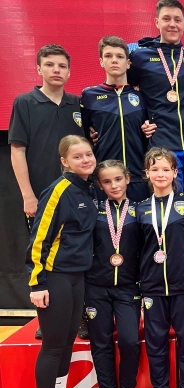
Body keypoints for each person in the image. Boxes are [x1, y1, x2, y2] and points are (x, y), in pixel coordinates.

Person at [9, 44, 86, 340]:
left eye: (62, 66)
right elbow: (17, 150)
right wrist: (28, 195)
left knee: (77, 253)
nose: (56, 70)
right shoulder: (25, 102)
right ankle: (49, 318)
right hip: (42, 195)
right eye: (50, 65)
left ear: (69, 71)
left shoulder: (77, 104)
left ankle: (82, 316)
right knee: (44, 255)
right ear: (39, 69)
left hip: (75, 194)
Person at [26, 135, 98, 388]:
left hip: (76, 276)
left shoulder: (88, 188)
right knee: (53, 345)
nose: (85, 160)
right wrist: (37, 283)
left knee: (67, 340)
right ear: (64, 161)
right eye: (77, 156)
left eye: (88, 154)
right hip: (54, 277)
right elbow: (38, 239)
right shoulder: (58, 191)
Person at [136, 147, 184, 388]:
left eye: (165, 169)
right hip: (152, 286)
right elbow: (137, 249)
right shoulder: (140, 208)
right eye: (154, 169)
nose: (160, 174)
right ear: (147, 173)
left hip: (183, 284)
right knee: (156, 342)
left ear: (175, 172)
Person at [129, 0, 184, 196]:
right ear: (157, 22)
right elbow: (127, 94)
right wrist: (142, 120)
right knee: (171, 205)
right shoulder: (140, 57)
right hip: (163, 144)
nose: (172, 24)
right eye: (166, 19)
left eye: (177, 20)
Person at [85, 160, 143, 388]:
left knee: (129, 340)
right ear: (100, 185)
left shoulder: (139, 211)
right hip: (96, 286)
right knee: (101, 342)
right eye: (107, 182)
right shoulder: (93, 210)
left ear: (127, 179)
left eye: (118, 179)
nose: (114, 185)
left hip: (128, 287)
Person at [81, 36, 153, 202]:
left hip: (137, 178)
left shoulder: (141, 96)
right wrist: (89, 140)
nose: (114, 60)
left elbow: (150, 130)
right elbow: (82, 135)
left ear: (128, 63)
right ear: (101, 62)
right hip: (104, 180)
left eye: (119, 56)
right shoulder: (89, 96)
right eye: (108, 56)